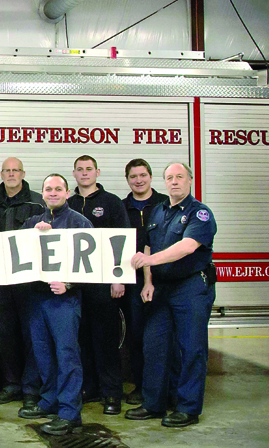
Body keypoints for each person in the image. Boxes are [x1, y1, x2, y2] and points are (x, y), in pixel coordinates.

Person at [126, 162, 216, 428]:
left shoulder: (200, 214)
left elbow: (186, 247)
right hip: (161, 288)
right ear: (164, 182)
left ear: (190, 180)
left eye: (179, 177)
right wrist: (148, 281)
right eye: (169, 178)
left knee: (190, 348)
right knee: (154, 346)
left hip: (190, 288)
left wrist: (148, 261)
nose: (174, 182)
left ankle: (187, 408)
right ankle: (153, 404)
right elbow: (149, 245)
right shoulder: (159, 211)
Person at [17, 174, 91, 436]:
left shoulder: (79, 222)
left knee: (67, 354)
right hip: (36, 298)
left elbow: (92, 264)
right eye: (48, 189)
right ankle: (49, 401)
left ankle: (70, 413)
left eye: (58, 189)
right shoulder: (32, 222)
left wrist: (69, 284)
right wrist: (31, 237)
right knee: (43, 354)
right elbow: (15, 252)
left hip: (64, 300)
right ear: (42, 192)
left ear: (67, 192)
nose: (53, 193)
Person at [67, 155, 129, 415]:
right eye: (80, 170)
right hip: (75, 286)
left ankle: (112, 393)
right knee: (81, 340)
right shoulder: (67, 203)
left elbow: (122, 240)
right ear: (74, 173)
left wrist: (119, 277)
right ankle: (89, 389)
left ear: (97, 172)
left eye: (89, 169)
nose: (84, 173)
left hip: (103, 283)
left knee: (105, 340)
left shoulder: (111, 203)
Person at [0, 157, 45, 407]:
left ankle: (31, 388)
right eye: (7, 171)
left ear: (23, 173)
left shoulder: (38, 203)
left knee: (31, 334)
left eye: (15, 170)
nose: (11, 174)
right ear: (1, 174)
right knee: (2, 333)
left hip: (29, 281)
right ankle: (11, 384)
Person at [120, 158, 169, 406]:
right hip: (132, 280)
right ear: (127, 179)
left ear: (150, 177)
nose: (138, 180)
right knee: (137, 335)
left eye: (143, 175)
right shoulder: (121, 207)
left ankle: (166, 387)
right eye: (133, 176)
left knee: (164, 335)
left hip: (163, 278)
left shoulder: (164, 204)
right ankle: (141, 386)